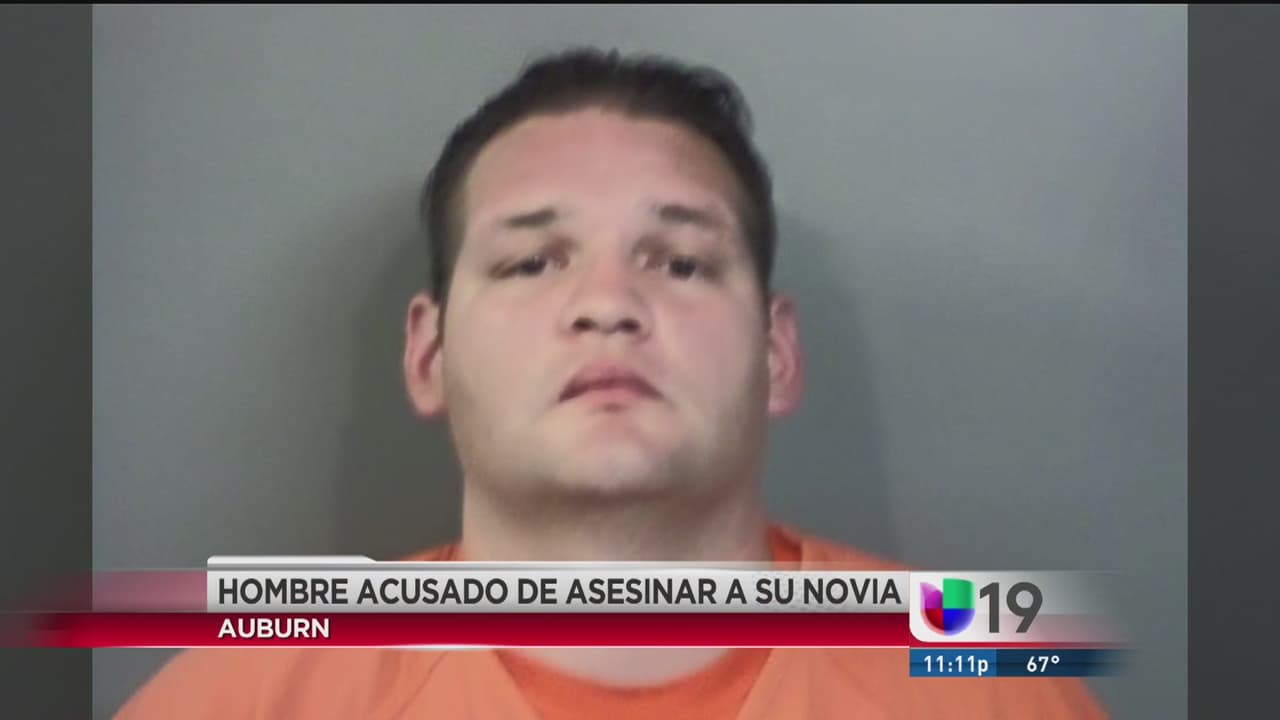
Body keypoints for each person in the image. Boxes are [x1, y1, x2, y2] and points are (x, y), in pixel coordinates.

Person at [118, 47, 1106, 719]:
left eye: (679, 263)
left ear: (775, 354)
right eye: (530, 262)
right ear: (428, 355)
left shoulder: (992, 683)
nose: (607, 304)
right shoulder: (241, 697)